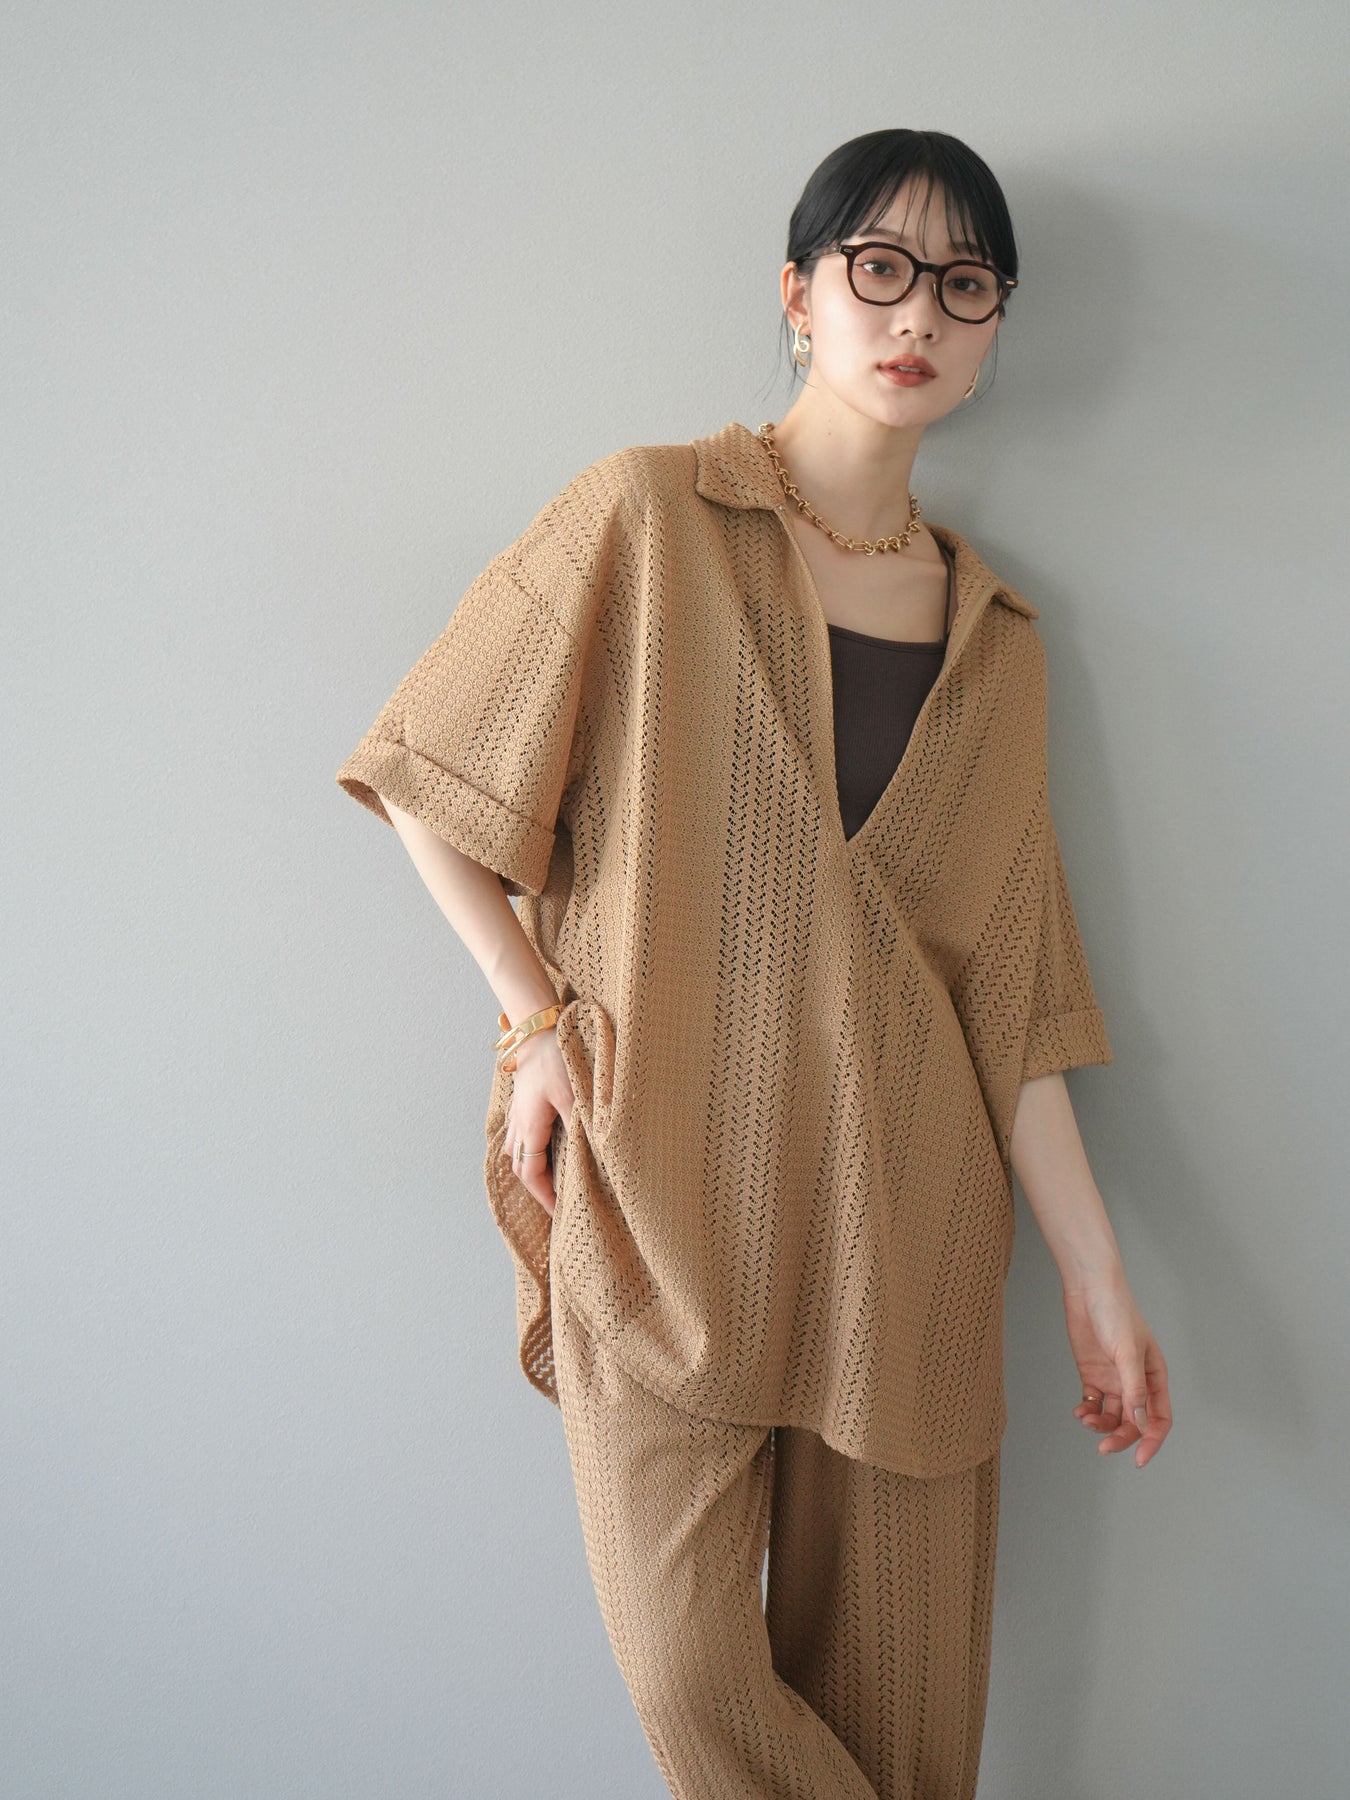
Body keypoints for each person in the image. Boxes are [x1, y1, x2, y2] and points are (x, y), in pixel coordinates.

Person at [335, 126, 1173, 1800]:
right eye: (878, 266)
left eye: (963, 283)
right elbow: (431, 779)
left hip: (906, 1243)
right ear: (797, 295)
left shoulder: (998, 645)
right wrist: (534, 1023)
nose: (916, 311)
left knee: (904, 1733)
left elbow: (1005, 1001)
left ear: (995, 327)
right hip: (660, 1202)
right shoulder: (649, 517)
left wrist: (1095, 1280)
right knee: (689, 1675)